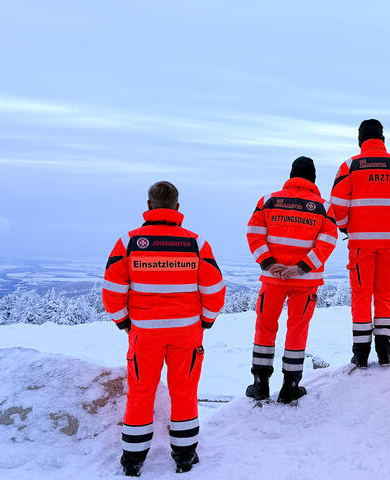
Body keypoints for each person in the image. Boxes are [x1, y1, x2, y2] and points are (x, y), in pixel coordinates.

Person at [102, 181, 226, 476]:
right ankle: (184, 457)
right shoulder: (196, 243)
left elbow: (112, 289)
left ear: (149, 207)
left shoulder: (129, 242)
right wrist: (205, 320)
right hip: (187, 334)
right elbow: (215, 289)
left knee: (140, 393)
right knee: (184, 392)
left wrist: (124, 322)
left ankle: (132, 460)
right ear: (177, 208)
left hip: (144, 335)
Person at [244, 156, 339, 403]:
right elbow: (327, 242)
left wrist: (268, 263)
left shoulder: (268, 201)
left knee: (265, 326)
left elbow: (254, 233)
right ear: (314, 179)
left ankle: (260, 383)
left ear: (291, 175)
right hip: (305, 281)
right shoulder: (324, 207)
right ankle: (290, 386)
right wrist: (301, 268)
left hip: (272, 279)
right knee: (297, 329)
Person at [330, 119, 390, 367]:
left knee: (362, 294)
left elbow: (336, 206)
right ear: (382, 138)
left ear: (361, 139)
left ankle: (360, 354)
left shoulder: (351, 165)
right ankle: (385, 352)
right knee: (385, 293)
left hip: (360, 242)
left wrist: (347, 227)